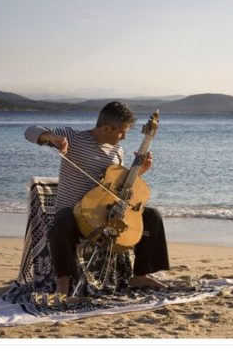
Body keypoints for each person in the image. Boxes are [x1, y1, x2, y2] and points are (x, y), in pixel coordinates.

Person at [24, 101, 169, 296]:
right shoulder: (73, 138)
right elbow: (30, 131)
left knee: (153, 215)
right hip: (74, 216)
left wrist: (139, 172)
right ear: (107, 128)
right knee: (62, 219)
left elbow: (118, 187)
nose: (124, 137)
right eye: (122, 132)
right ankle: (63, 281)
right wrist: (52, 138)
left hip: (105, 215)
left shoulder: (117, 151)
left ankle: (141, 274)